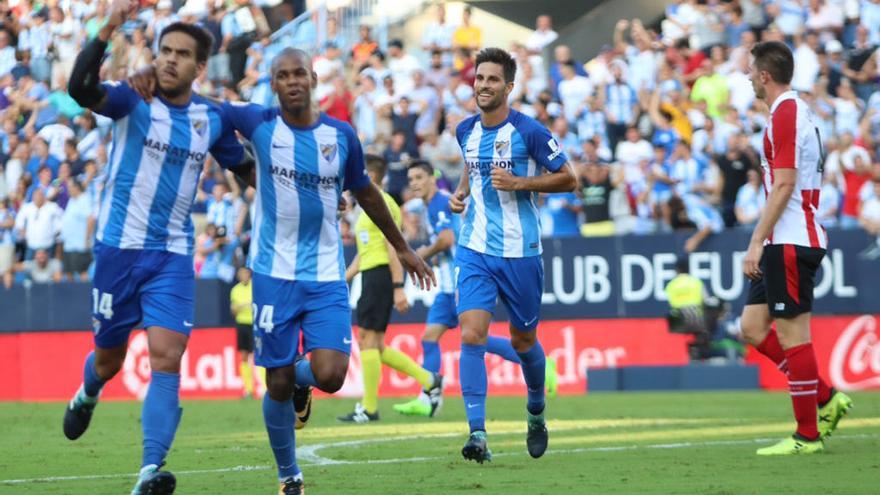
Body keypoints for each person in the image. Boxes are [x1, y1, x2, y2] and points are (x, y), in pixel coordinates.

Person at [131, 47, 435, 494]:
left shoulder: (341, 135)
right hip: (273, 274)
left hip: (326, 273)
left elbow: (365, 192)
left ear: (313, 79)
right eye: (283, 75)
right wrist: (153, 79)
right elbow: (205, 105)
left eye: (299, 74)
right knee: (275, 380)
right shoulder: (259, 122)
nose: (292, 81)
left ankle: (302, 383)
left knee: (331, 373)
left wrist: (403, 248)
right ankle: (289, 476)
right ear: (273, 84)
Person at [62, 2, 248, 493]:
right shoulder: (132, 98)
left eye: (181, 54)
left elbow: (244, 167)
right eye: (164, 50)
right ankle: (87, 393)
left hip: (171, 253)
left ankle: (149, 471)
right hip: (117, 251)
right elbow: (79, 88)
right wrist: (106, 30)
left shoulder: (210, 117)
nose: (169, 60)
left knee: (167, 356)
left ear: (199, 67)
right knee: (109, 361)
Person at [449, 47, 577, 463]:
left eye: (492, 80)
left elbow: (569, 179)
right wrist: (463, 190)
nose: (483, 85)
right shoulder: (464, 129)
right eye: (478, 78)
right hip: (474, 247)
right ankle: (477, 434)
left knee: (524, 341)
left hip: (521, 252)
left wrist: (521, 183)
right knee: (471, 334)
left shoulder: (530, 131)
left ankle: (536, 410)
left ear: (508, 86)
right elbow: (473, 163)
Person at [741, 41, 852, 457]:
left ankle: (807, 434)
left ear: (765, 76)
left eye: (752, 71)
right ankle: (825, 396)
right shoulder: (792, 109)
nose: (748, 76)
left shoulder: (787, 112)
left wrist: (756, 241)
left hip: (790, 239)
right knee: (752, 327)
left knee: (792, 336)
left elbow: (785, 182)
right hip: (782, 238)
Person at [393, 160, 558, 417]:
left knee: (472, 338)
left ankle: (540, 362)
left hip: (463, 278)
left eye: (418, 177)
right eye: (410, 178)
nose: (413, 183)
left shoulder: (440, 202)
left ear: (432, 178)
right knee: (434, 338)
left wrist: (420, 254)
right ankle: (428, 397)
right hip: (449, 282)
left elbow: (447, 238)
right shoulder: (430, 205)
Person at [339, 155, 443, 423]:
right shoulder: (368, 206)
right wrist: (344, 277)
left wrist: (398, 287)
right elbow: (365, 252)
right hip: (372, 274)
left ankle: (369, 408)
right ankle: (428, 379)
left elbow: (392, 248)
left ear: (371, 175)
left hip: (381, 276)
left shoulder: (382, 203)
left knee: (368, 341)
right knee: (374, 344)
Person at [230, 266, 258, 399]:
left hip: (254, 324)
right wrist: (239, 307)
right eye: (241, 274)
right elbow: (233, 311)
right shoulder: (235, 290)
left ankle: (264, 387)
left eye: (245, 273)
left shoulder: (256, 287)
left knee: (258, 355)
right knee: (244, 356)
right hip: (242, 324)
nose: (243, 276)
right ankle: (248, 389)